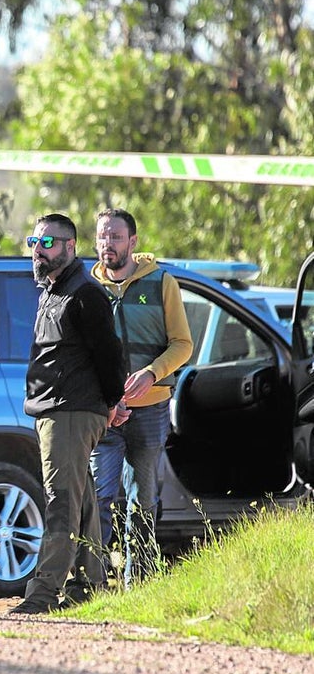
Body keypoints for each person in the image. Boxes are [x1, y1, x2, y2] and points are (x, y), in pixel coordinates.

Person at [11, 214, 127, 615]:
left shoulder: (84, 294)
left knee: (61, 501)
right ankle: (91, 585)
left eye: (47, 243)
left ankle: (42, 593)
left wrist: (114, 402)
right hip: (53, 409)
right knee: (83, 501)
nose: (37, 250)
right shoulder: (51, 290)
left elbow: (110, 354)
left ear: (70, 246)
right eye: (33, 241)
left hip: (73, 411)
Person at [90, 208, 192, 586]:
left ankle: (140, 582)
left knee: (142, 500)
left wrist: (152, 374)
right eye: (102, 236)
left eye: (116, 237)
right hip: (103, 412)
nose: (108, 244)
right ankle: (94, 582)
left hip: (149, 410)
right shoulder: (89, 288)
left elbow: (183, 345)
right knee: (99, 496)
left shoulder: (161, 282)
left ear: (133, 242)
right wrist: (106, 399)